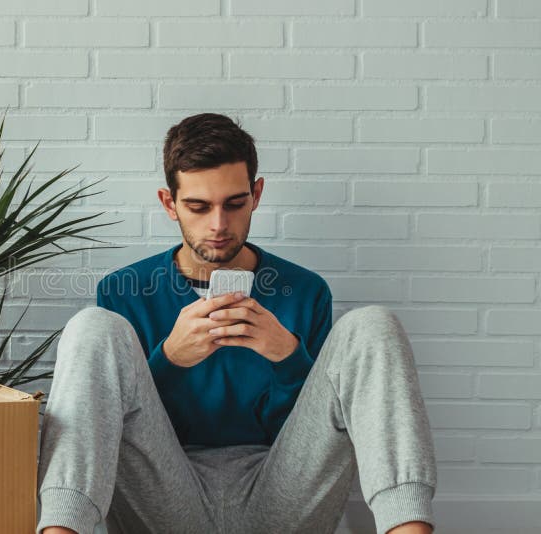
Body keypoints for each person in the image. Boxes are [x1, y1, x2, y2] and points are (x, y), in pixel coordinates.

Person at [36, 113, 437, 534]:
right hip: (165, 500)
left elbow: (321, 437)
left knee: (372, 325)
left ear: (256, 195)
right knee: (92, 327)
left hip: (282, 497)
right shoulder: (126, 291)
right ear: (169, 204)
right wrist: (169, 359)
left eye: (234, 203)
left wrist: (288, 358)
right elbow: (124, 430)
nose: (218, 225)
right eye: (198, 206)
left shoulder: (304, 291)